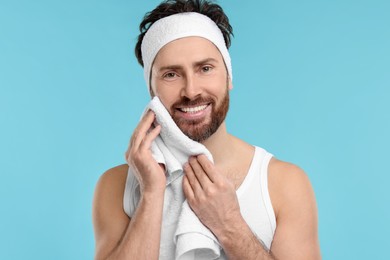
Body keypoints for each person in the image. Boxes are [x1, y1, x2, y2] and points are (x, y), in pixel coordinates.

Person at [92, 0, 321, 259]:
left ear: (228, 76)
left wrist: (230, 225)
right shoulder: (116, 186)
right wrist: (151, 194)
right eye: (171, 74)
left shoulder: (283, 183)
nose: (191, 91)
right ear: (151, 89)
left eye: (205, 68)